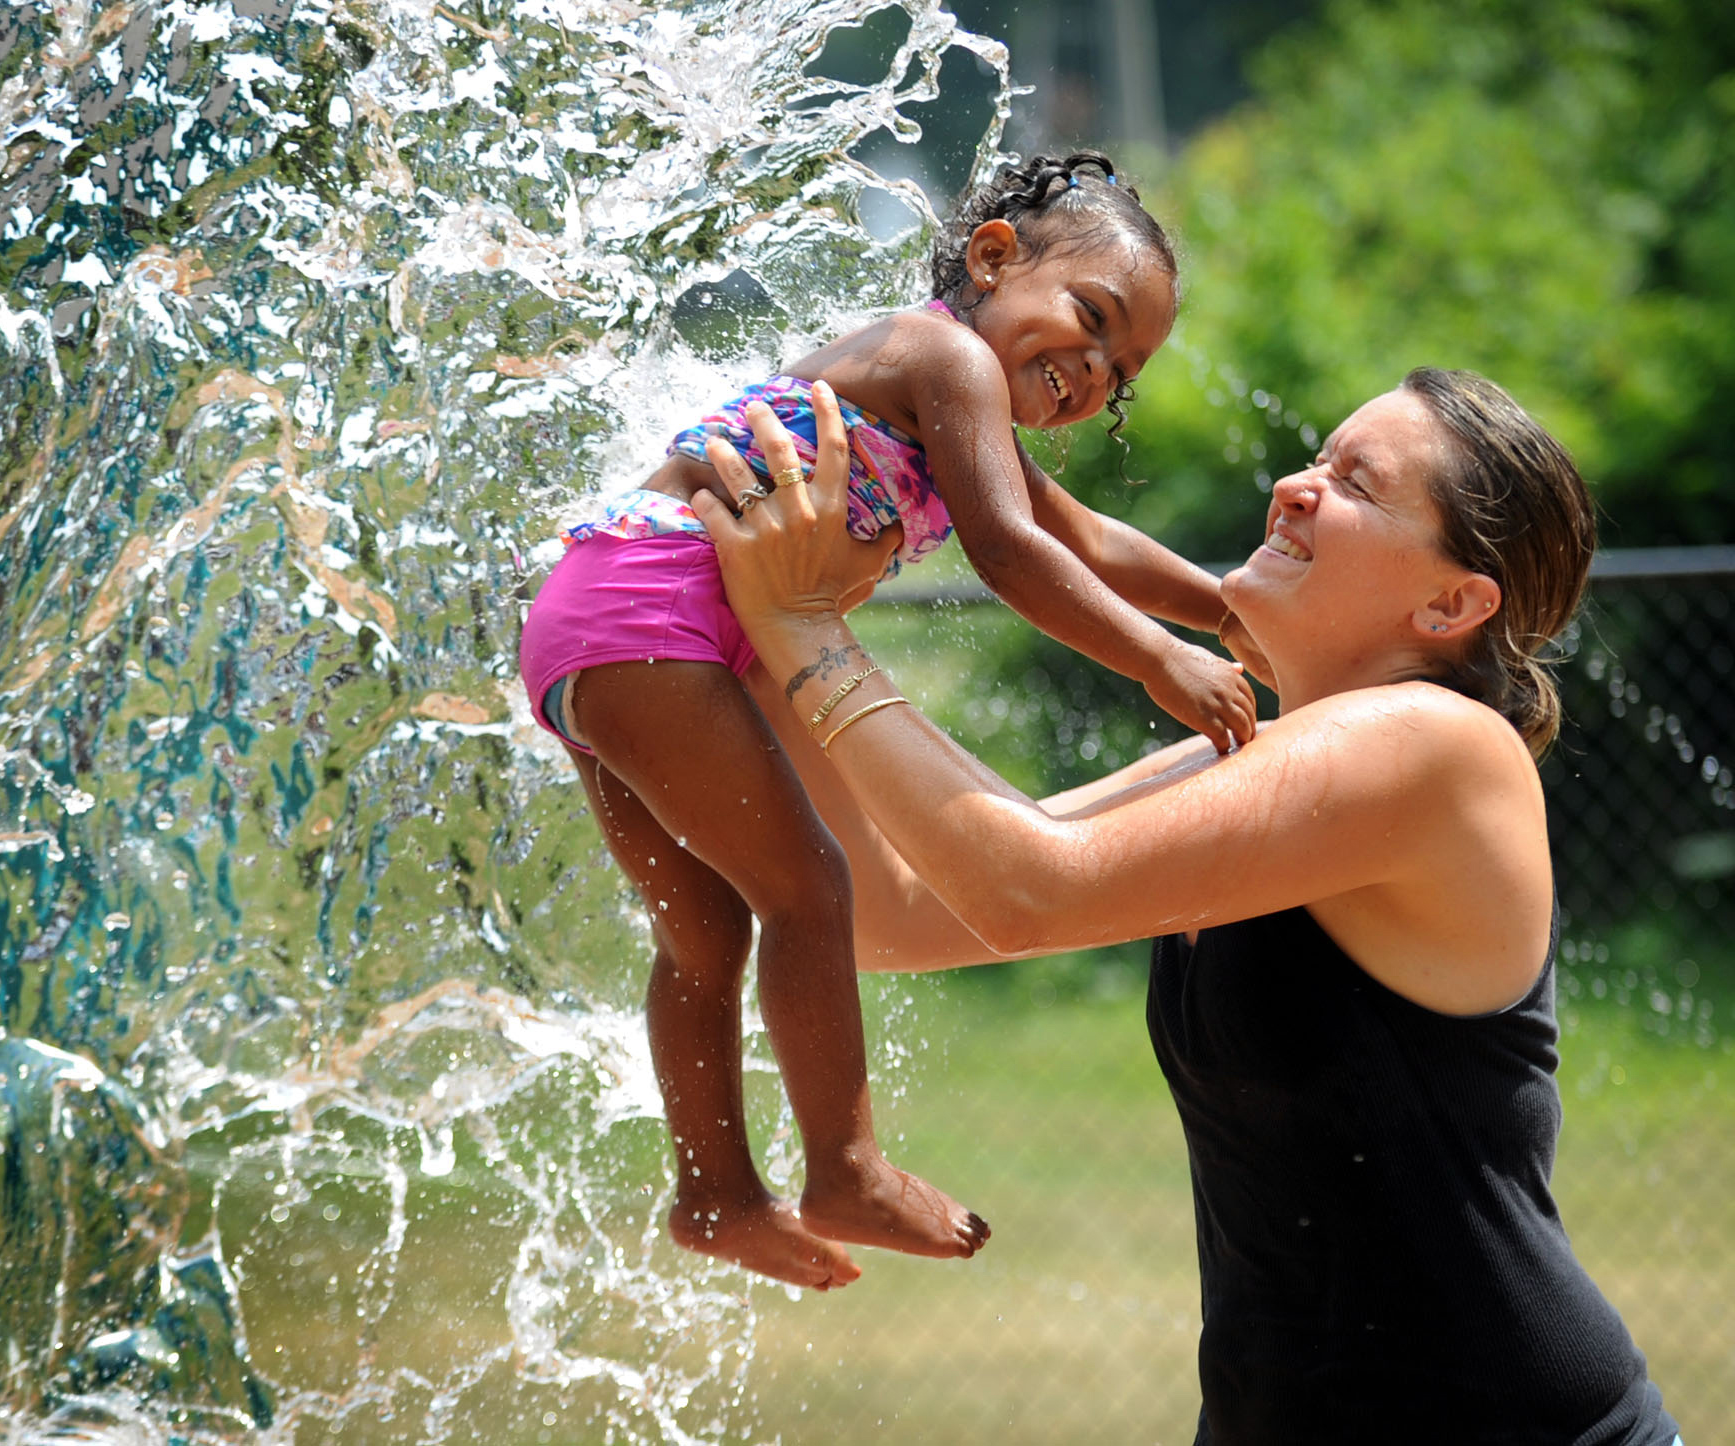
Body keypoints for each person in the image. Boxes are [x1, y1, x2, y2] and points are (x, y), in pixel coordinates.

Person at [690, 370, 1682, 1444]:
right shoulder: (1235, 758)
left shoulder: (1440, 750)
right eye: (1314, 458)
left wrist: (806, 632)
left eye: (1355, 483)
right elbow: (890, 912)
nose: (1295, 486)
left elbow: (1028, 889)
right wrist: (752, 628)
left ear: (1451, 604)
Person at [518, 151, 1256, 1290]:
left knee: (705, 932)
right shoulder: (943, 355)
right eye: (1091, 318)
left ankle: (713, 1197)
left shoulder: (955, 400)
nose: (1097, 368)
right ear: (993, 256)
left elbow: (1086, 540)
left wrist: (1225, 609)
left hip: (604, 617)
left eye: (1125, 366)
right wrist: (1162, 660)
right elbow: (1013, 556)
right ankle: (842, 1168)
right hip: (648, 619)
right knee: (808, 889)